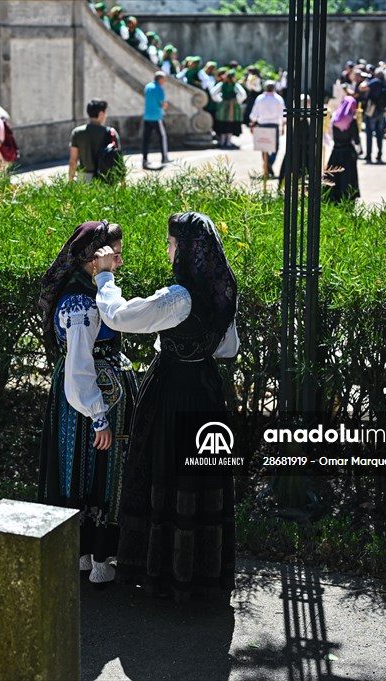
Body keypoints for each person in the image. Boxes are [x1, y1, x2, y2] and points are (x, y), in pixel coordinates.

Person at [93, 211, 240, 601]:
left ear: (188, 250)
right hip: (206, 390)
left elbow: (119, 316)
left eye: (173, 244)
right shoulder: (222, 291)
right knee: (198, 479)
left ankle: (160, 576)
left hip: (172, 391)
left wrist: (105, 277)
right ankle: (198, 577)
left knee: (161, 472)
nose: (169, 251)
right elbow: (229, 349)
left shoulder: (178, 298)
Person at [38, 220, 137, 587]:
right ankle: (95, 559)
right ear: (94, 259)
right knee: (92, 468)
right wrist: (98, 418)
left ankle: (85, 555)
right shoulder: (79, 303)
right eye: (116, 255)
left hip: (90, 397)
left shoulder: (88, 291)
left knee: (82, 466)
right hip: (87, 401)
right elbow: (80, 367)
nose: (120, 262)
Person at [68, 98, 119, 183]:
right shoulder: (111, 133)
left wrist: (70, 181)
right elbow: (118, 160)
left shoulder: (77, 132)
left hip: (84, 178)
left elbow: (73, 161)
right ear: (101, 113)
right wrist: (122, 183)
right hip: (105, 177)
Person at [326, 92, 361, 204]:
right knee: (347, 178)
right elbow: (356, 139)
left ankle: (332, 197)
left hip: (336, 151)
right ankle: (346, 198)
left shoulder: (335, 118)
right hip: (347, 153)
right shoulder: (352, 120)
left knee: (334, 176)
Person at [248, 79, 285, 178]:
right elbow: (283, 115)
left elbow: (254, 114)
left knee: (266, 146)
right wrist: (283, 127)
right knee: (268, 146)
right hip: (271, 125)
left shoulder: (262, 98)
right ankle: (268, 165)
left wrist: (252, 124)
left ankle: (267, 164)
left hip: (266, 124)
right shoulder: (278, 99)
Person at [141, 72, 170, 170]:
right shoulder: (159, 89)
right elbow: (162, 103)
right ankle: (164, 158)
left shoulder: (148, 87)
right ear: (160, 79)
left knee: (146, 139)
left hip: (147, 116)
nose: (164, 82)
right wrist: (166, 106)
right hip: (156, 117)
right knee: (162, 137)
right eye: (164, 80)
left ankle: (144, 159)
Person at [211, 69, 246, 149]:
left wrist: (219, 100)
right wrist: (237, 101)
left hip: (224, 106)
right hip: (232, 106)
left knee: (223, 122)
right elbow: (243, 95)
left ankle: (223, 142)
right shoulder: (234, 85)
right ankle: (228, 142)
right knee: (229, 122)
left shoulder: (222, 84)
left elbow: (213, 93)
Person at [359, 68, 386, 163]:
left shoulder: (375, 81)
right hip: (381, 111)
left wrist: (366, 80)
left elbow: (362, 88)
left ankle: (368, 155)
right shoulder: (385, 83)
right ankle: (379, 155)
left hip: (372, 111)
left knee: (369, 134)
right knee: (379, 134)